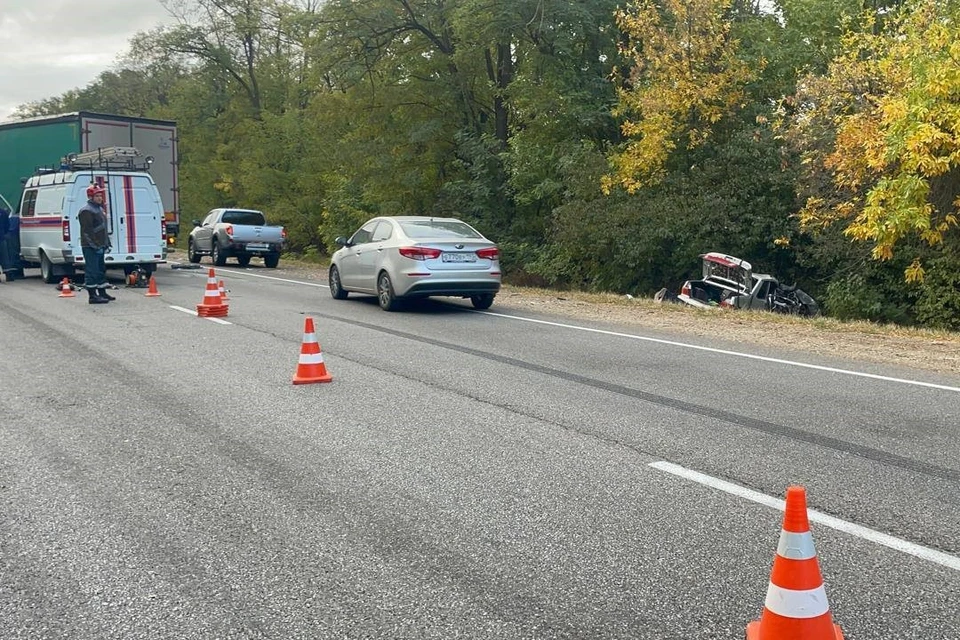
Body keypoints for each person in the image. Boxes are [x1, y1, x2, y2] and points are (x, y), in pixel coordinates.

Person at [77, 184, 115, 304]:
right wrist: (94, 246)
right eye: (97, 196)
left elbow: (102, 229)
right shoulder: (86, 210)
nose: (100, 198)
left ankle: (102, 292)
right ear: (91, 197)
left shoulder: (99, 209)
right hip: (90, 247)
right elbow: (87, 231)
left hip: (100, 245)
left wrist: (106, 243)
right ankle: (92, 296)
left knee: (100, 270)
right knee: (92, 271)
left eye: (100, 195)